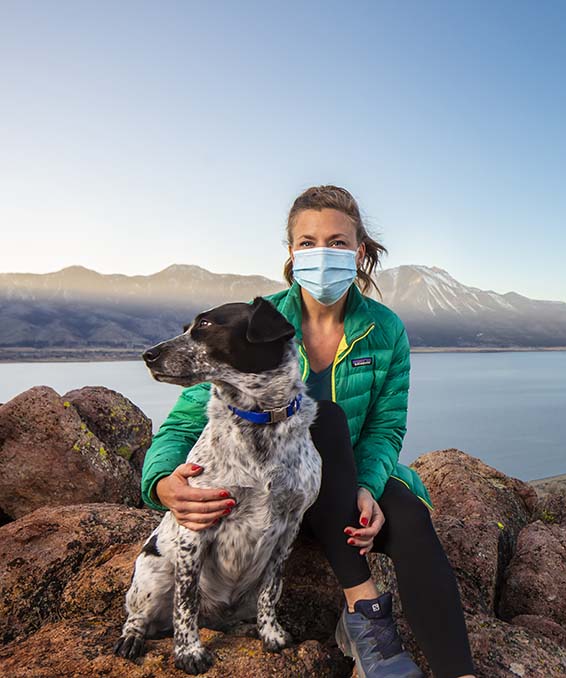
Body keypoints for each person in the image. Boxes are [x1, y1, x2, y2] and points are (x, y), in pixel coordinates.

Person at [140, 185, 477, 678]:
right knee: (329, 418)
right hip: (271, 499)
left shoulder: (385, 330)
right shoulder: (256, 322)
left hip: (344, 486)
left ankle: (457, 672)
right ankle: (365, 617)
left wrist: (367, 486)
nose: (323, 253)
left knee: (410, 520)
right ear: (292, 253)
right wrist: (163, 481)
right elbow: (188, 418)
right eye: (308, 242)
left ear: (360, 251)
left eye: (338, 242)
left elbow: (386, 425)